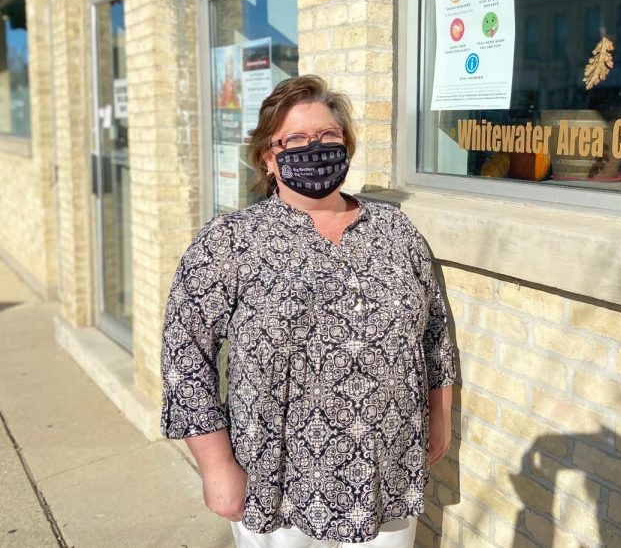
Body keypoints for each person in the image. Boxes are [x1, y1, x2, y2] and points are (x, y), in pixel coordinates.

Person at [160, 75, 457, 548]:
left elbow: (436, 335)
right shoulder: (230, 239)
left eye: (326, 138)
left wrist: (439, 418)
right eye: (294, 140)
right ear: (267, 157)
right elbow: (184, 354)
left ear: (347, 145)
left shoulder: (396, 232)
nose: (313, 149)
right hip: (277, 479)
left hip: (388, 471)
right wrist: (215, 466)